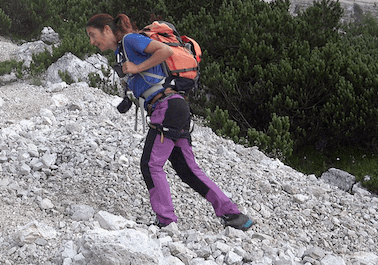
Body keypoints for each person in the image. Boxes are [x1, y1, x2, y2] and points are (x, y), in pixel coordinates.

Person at [85, 13, 254, 230]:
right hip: (175, 108)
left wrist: (136, 68)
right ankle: (235, 216)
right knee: (186, 169)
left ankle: (166, 221)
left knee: (150, 164)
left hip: (167, 108)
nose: (92, 42)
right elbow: (146, 79)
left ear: (107, 30)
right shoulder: (122, 51)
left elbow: (165, 51)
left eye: (93, 35)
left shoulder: (129, 40)